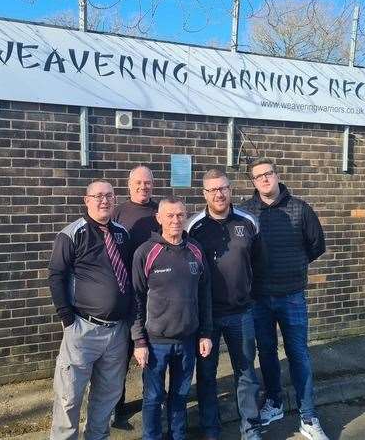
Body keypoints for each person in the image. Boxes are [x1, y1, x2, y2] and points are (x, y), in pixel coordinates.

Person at [240, 158, 328, 440]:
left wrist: (295, 265)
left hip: (292, 296)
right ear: (253, 182)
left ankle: (308, 416)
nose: (264, 179)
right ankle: (274, 402)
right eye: (258, 176)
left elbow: (317, 245)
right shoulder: (246, 212)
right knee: (266, 353)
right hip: (259, 299)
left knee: (298, 355)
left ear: (277, 176)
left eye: (268, 174)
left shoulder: (300, 209)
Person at [48, 179, 133, 440]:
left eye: (109, 195)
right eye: (98, 196)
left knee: (107, 396)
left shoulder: (121, 233)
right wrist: (66, 318)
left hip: (117, 332)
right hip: (83, 330)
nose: (104, 200)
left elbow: (127, 275)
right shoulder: (72, 233)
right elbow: (56, 275)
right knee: (69, 397)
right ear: (87, 200)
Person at [187, 169, 263, 440]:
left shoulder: (249, 221)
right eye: (212, 190)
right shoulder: (193, 226)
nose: (218, 194)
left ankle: (251, 429)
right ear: (204, 193)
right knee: (206, 376)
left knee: (246, 373)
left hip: (241, 313)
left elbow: (258, 262)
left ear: (230, 189)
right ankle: (211, 431)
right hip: (207, 317)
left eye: (223, 188)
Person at [131, 196, 213, 440]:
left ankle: (178, 436)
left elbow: (205, 294)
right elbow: (135, 299)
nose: (175, 220)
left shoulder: (196, 250)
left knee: (180, 396)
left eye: (180, 215)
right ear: (159, 218)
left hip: (188, 339)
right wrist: (139, 341)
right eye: (170, 215)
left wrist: (205, 333)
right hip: (156, 342)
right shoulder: (146, 252)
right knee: (154, 398)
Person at [111, 165, 160, 427]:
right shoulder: (118, 213)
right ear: (129, 185)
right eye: (139, 183)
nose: (144, 187)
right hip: (125, 295)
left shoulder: (160, 213)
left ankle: (152, 403)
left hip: (155, 298)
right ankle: (114, 407)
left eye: (148, 183)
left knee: (151, 355)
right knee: (119, 357)